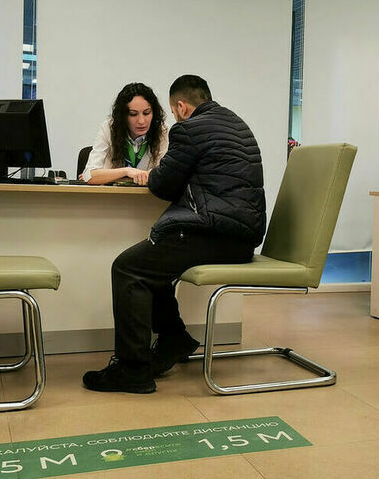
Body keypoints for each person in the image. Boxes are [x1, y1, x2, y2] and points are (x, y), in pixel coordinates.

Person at [83, 75, 266, 393]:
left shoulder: (189, 129)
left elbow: (163, 184)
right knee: (151, 264)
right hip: (242, 238)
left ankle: (133, 370)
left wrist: (156, 175)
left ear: (180, 107)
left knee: (128, 268)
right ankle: (174, 338)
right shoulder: (238, 124)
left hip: (213, 231)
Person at [80, 82, 168, 185]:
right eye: (133, 114)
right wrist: (127, 171)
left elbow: (164, 176)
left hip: (146, 194)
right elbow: (89, 175)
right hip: (111, 193)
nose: (141, 121)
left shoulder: (161, 131)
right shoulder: (109, 128)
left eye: (146, 113)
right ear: (123, 116)